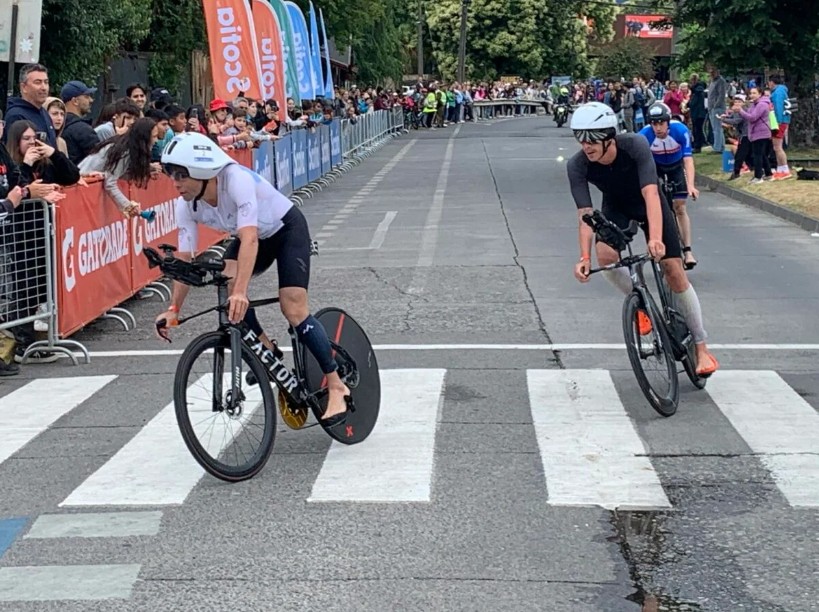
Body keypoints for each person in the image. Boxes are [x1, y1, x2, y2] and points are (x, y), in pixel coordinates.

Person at [157, 132, 351, 424]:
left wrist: (241, 291)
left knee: (292, 307)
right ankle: (267, 349)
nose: (175, 182)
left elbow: (249, 237)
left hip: (285, 231)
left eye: (181, 175)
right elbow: (185, 258)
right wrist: (174, 309)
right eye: (171, 175)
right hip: (253, 237)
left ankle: (336, 384)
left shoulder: (236, 180)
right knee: (226, 283)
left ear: (202, 170)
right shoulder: (186, 204)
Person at [566, 101, 718, 377]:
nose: (586, 146)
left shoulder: (635, 145)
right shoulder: (577, 165)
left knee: (673, 269)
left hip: (650, 202)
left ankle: (701, 346)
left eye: (592, 139)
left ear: (609, 137)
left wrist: (656, 239)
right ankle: (641, 305)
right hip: (617, 206)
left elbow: (650, 194)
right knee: (606, 257)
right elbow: (585, 215)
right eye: (581, 139)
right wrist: (584, 258)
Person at [639, 102, 700, 269]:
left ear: (668, 122)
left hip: (675, 166)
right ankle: (654, 242)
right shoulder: (644, 135)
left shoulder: (680, 130)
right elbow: (639, 164)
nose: (658, 128)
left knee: (680, 208)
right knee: (653, 205)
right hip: (655, 167)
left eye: (661, 123)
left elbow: (688, 160)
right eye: (654, 124)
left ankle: (687, 251)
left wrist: (691, 185)